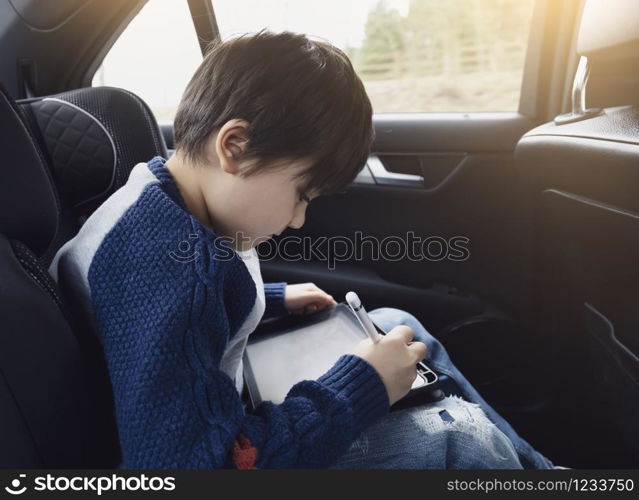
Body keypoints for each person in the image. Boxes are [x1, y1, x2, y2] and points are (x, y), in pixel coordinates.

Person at [49, 30, 552, 469]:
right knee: (460, 439)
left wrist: (268, 296)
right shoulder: (170, 270)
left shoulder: (158, 196)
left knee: (397, 323)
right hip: (215, 448)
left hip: (209, 406)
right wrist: (363, 385)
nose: (297, 219)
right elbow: (201, 465)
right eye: (301, 194)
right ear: (235, 147)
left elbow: (164, 325)